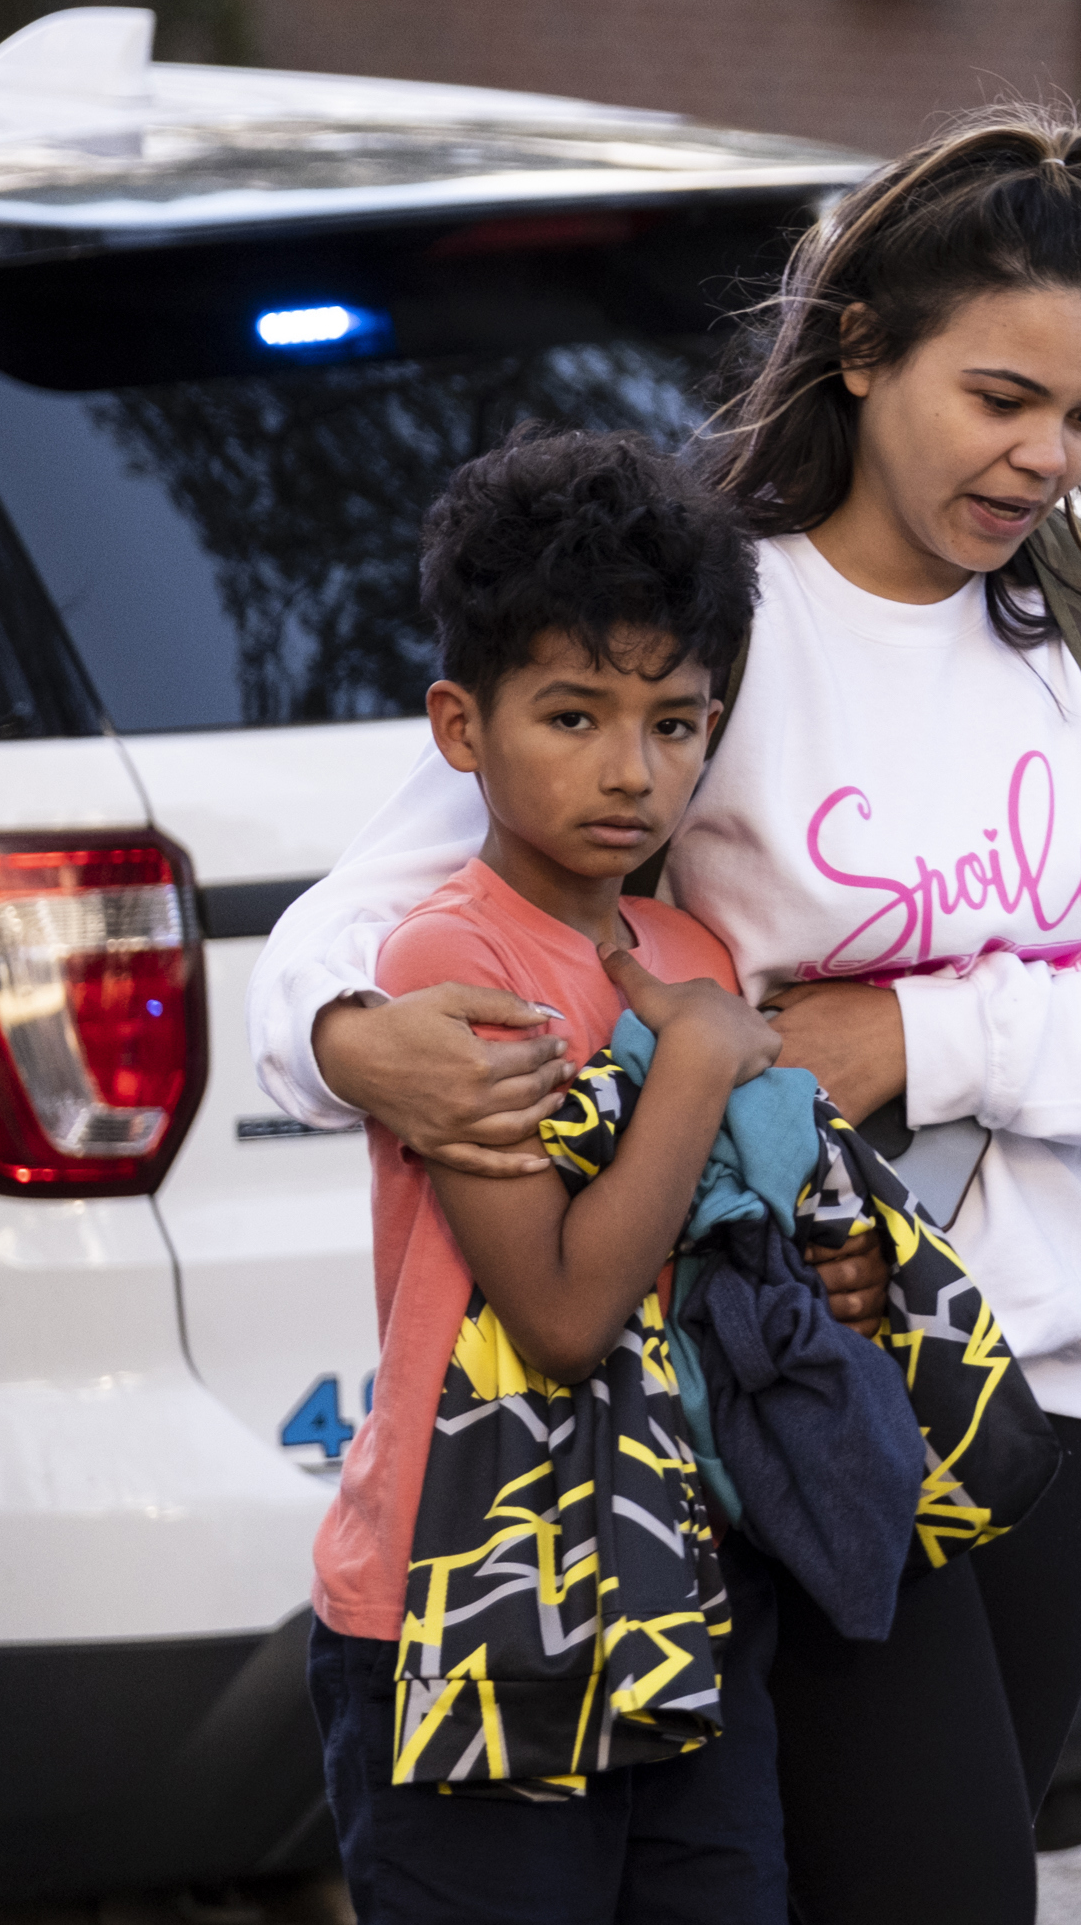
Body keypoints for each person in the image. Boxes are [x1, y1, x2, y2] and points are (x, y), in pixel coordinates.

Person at [252, 107, 1081, 1925]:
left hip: (1039, 1390)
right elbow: (370, 918)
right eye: (998, 400)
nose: (1046, 457)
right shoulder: (714, 618)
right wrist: (349, 1043)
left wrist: (909, 1041)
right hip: (789, 1389)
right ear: (866, 350)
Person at [309, 425, 789, 1923]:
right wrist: (702, 1069)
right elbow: (566, 1311)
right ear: (461, 726)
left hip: (674, 1589)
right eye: (573, 716)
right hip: (469, 1598)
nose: (630, 771)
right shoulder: (452, 960)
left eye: (674, 723)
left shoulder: (693, 955)